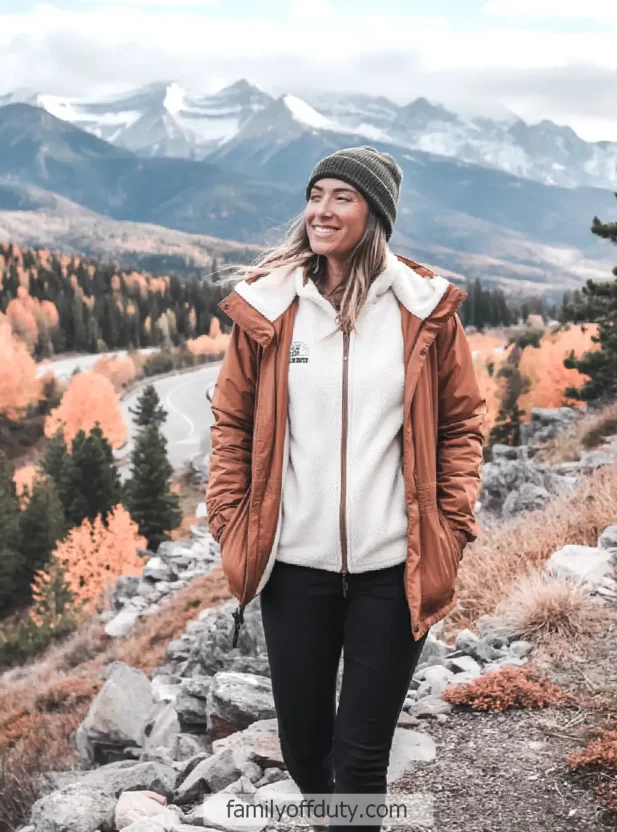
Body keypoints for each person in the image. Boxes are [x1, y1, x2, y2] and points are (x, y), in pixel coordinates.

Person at [206, 145, 487, 831]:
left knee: (360, 758)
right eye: (315, 194)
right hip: (294, 567)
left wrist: (450, 522)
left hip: (392, 568)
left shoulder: (423, 313)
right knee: (306, 752)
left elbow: (461, 422)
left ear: (375, 214)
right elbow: (231, 420)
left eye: (341, 197)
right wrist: (228, 518)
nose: (320, 211)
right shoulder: (271, 310)